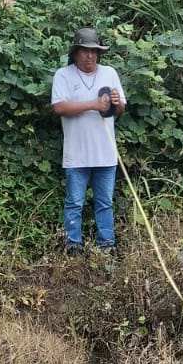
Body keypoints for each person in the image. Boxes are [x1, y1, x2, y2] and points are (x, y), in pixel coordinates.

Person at [51, 26, 126, 257]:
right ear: (75, 52)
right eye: (85, 51)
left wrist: (117, 103)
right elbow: (59, 107)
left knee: (105, 203)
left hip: (106, 153)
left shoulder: (109, 73)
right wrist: (92, 104)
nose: (90, 56)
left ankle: (107, 246)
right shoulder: (63, 75)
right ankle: (73, 246)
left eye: (94, 51)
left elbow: (120, 109)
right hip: (77, 154)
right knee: (74, 202)